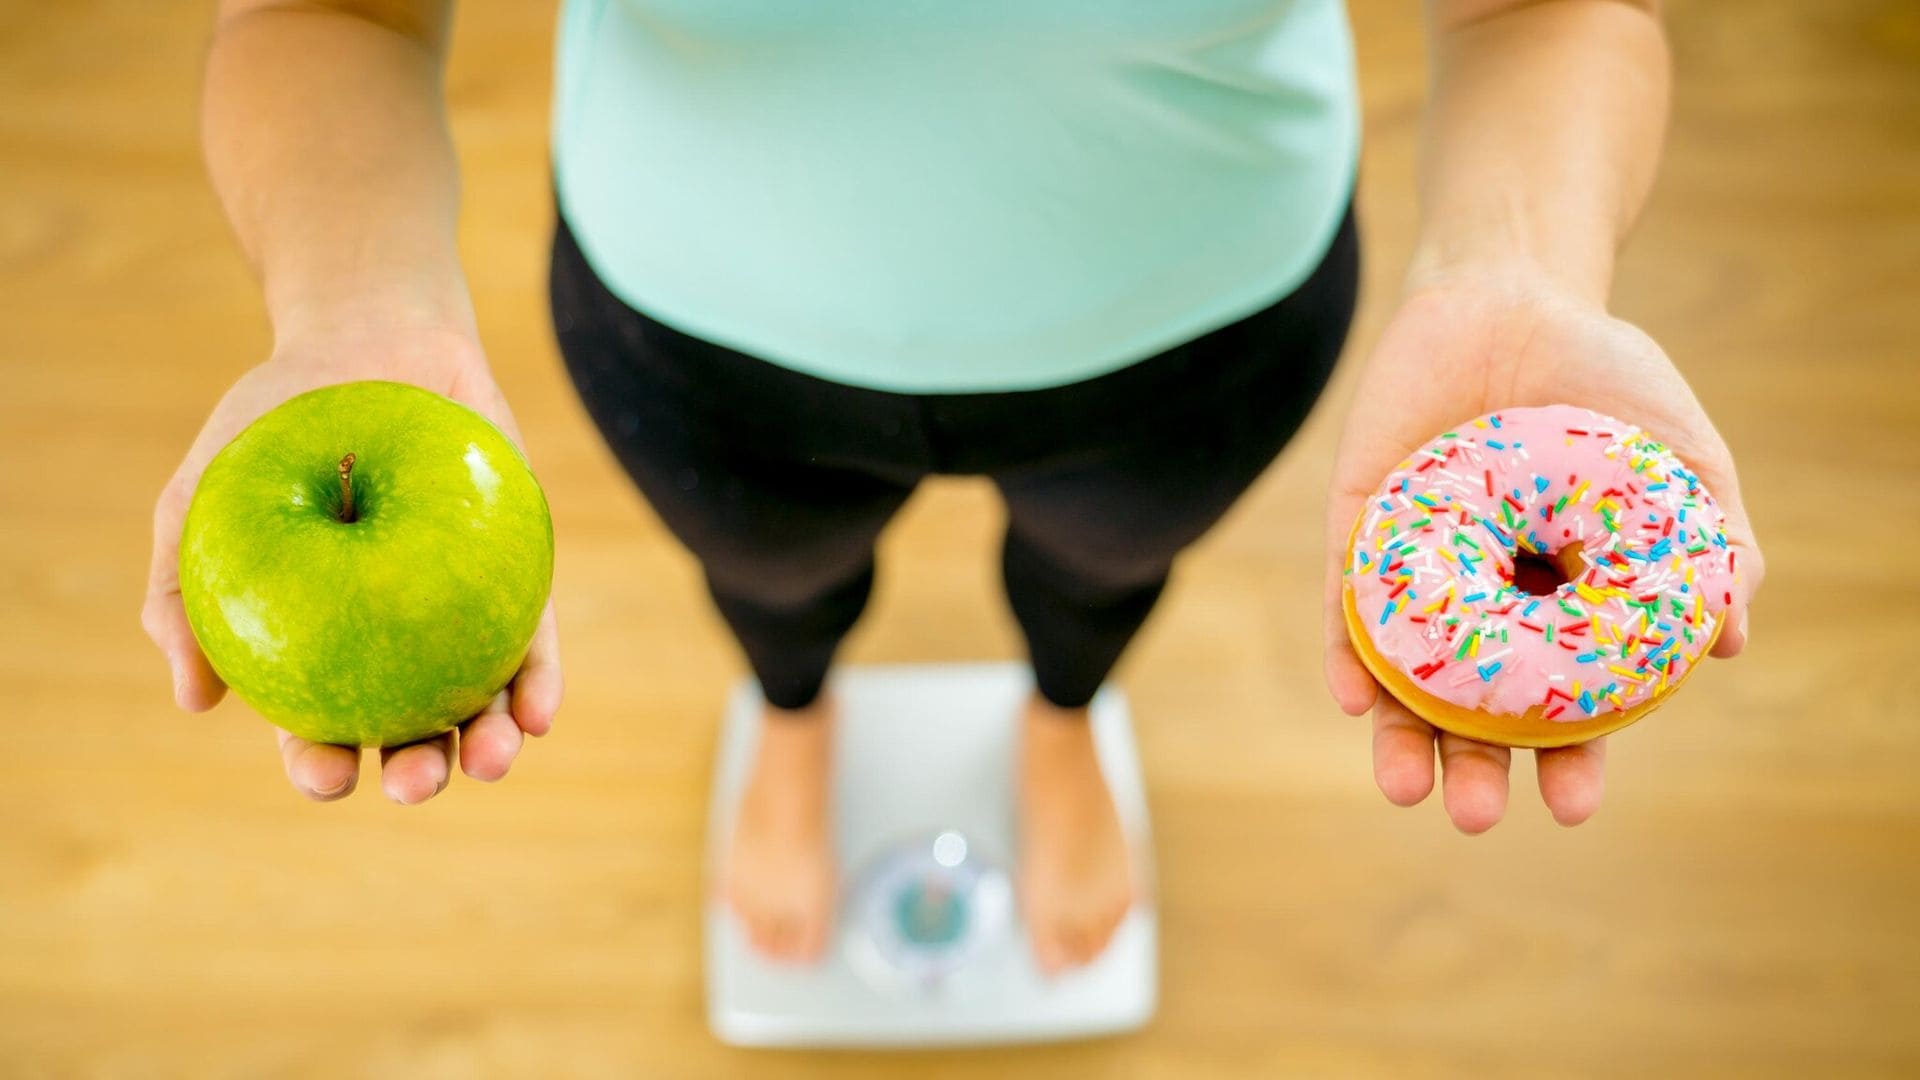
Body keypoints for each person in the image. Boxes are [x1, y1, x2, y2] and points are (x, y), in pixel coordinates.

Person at [143, 0, 1763, 974]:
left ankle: (1063, 721)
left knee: (1104, 574)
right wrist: (354, 304)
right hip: (692, 324)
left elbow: (1534, 8)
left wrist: (1527, 267)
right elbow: (330, 6)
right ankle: (791, 720)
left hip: (1203, 322)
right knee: (772, 582)